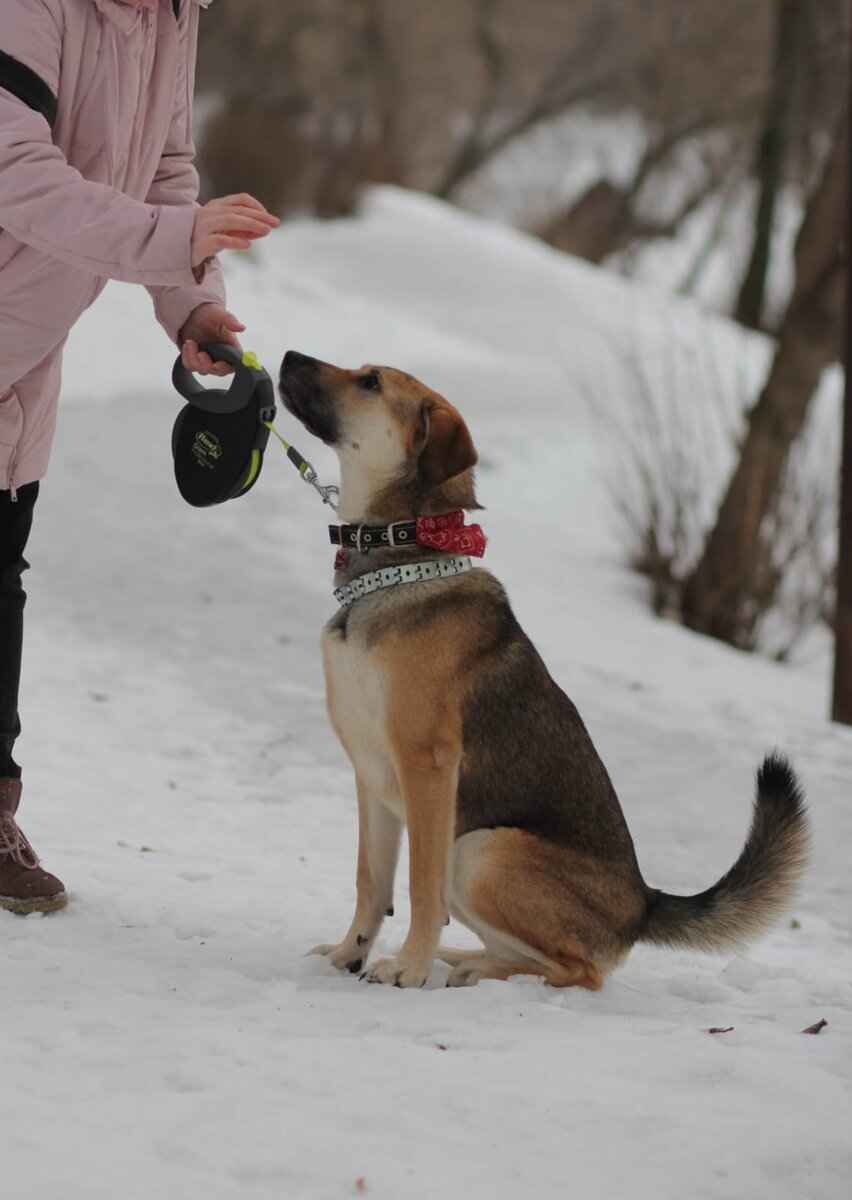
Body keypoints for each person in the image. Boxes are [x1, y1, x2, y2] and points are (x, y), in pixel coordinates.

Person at [0, 0, 279, 914]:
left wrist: (192, 305)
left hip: (24, 339)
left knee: (2, 569)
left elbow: (165, 172)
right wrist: (174, 239)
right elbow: (15, 170)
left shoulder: (169, 14)